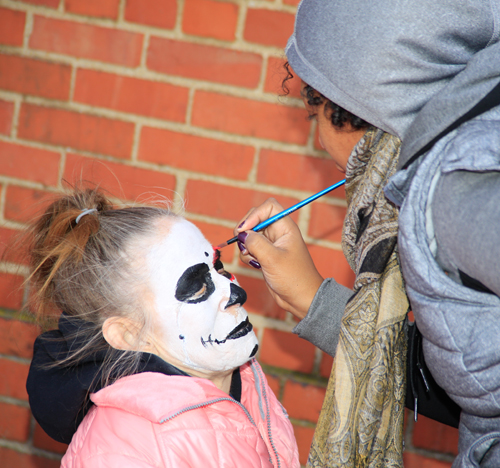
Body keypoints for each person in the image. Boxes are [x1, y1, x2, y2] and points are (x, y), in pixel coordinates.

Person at [233, 1, 500, 467]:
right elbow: (476, 382)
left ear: (358, 100)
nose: (316, 138)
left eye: (311, 111)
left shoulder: (455, 193)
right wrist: (315, 301)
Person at [25, 187, 300, 468]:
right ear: (129, 334)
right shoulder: (122, 452)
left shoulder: (248, 384)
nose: (235, 294)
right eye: (196, 288)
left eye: (217, 269)